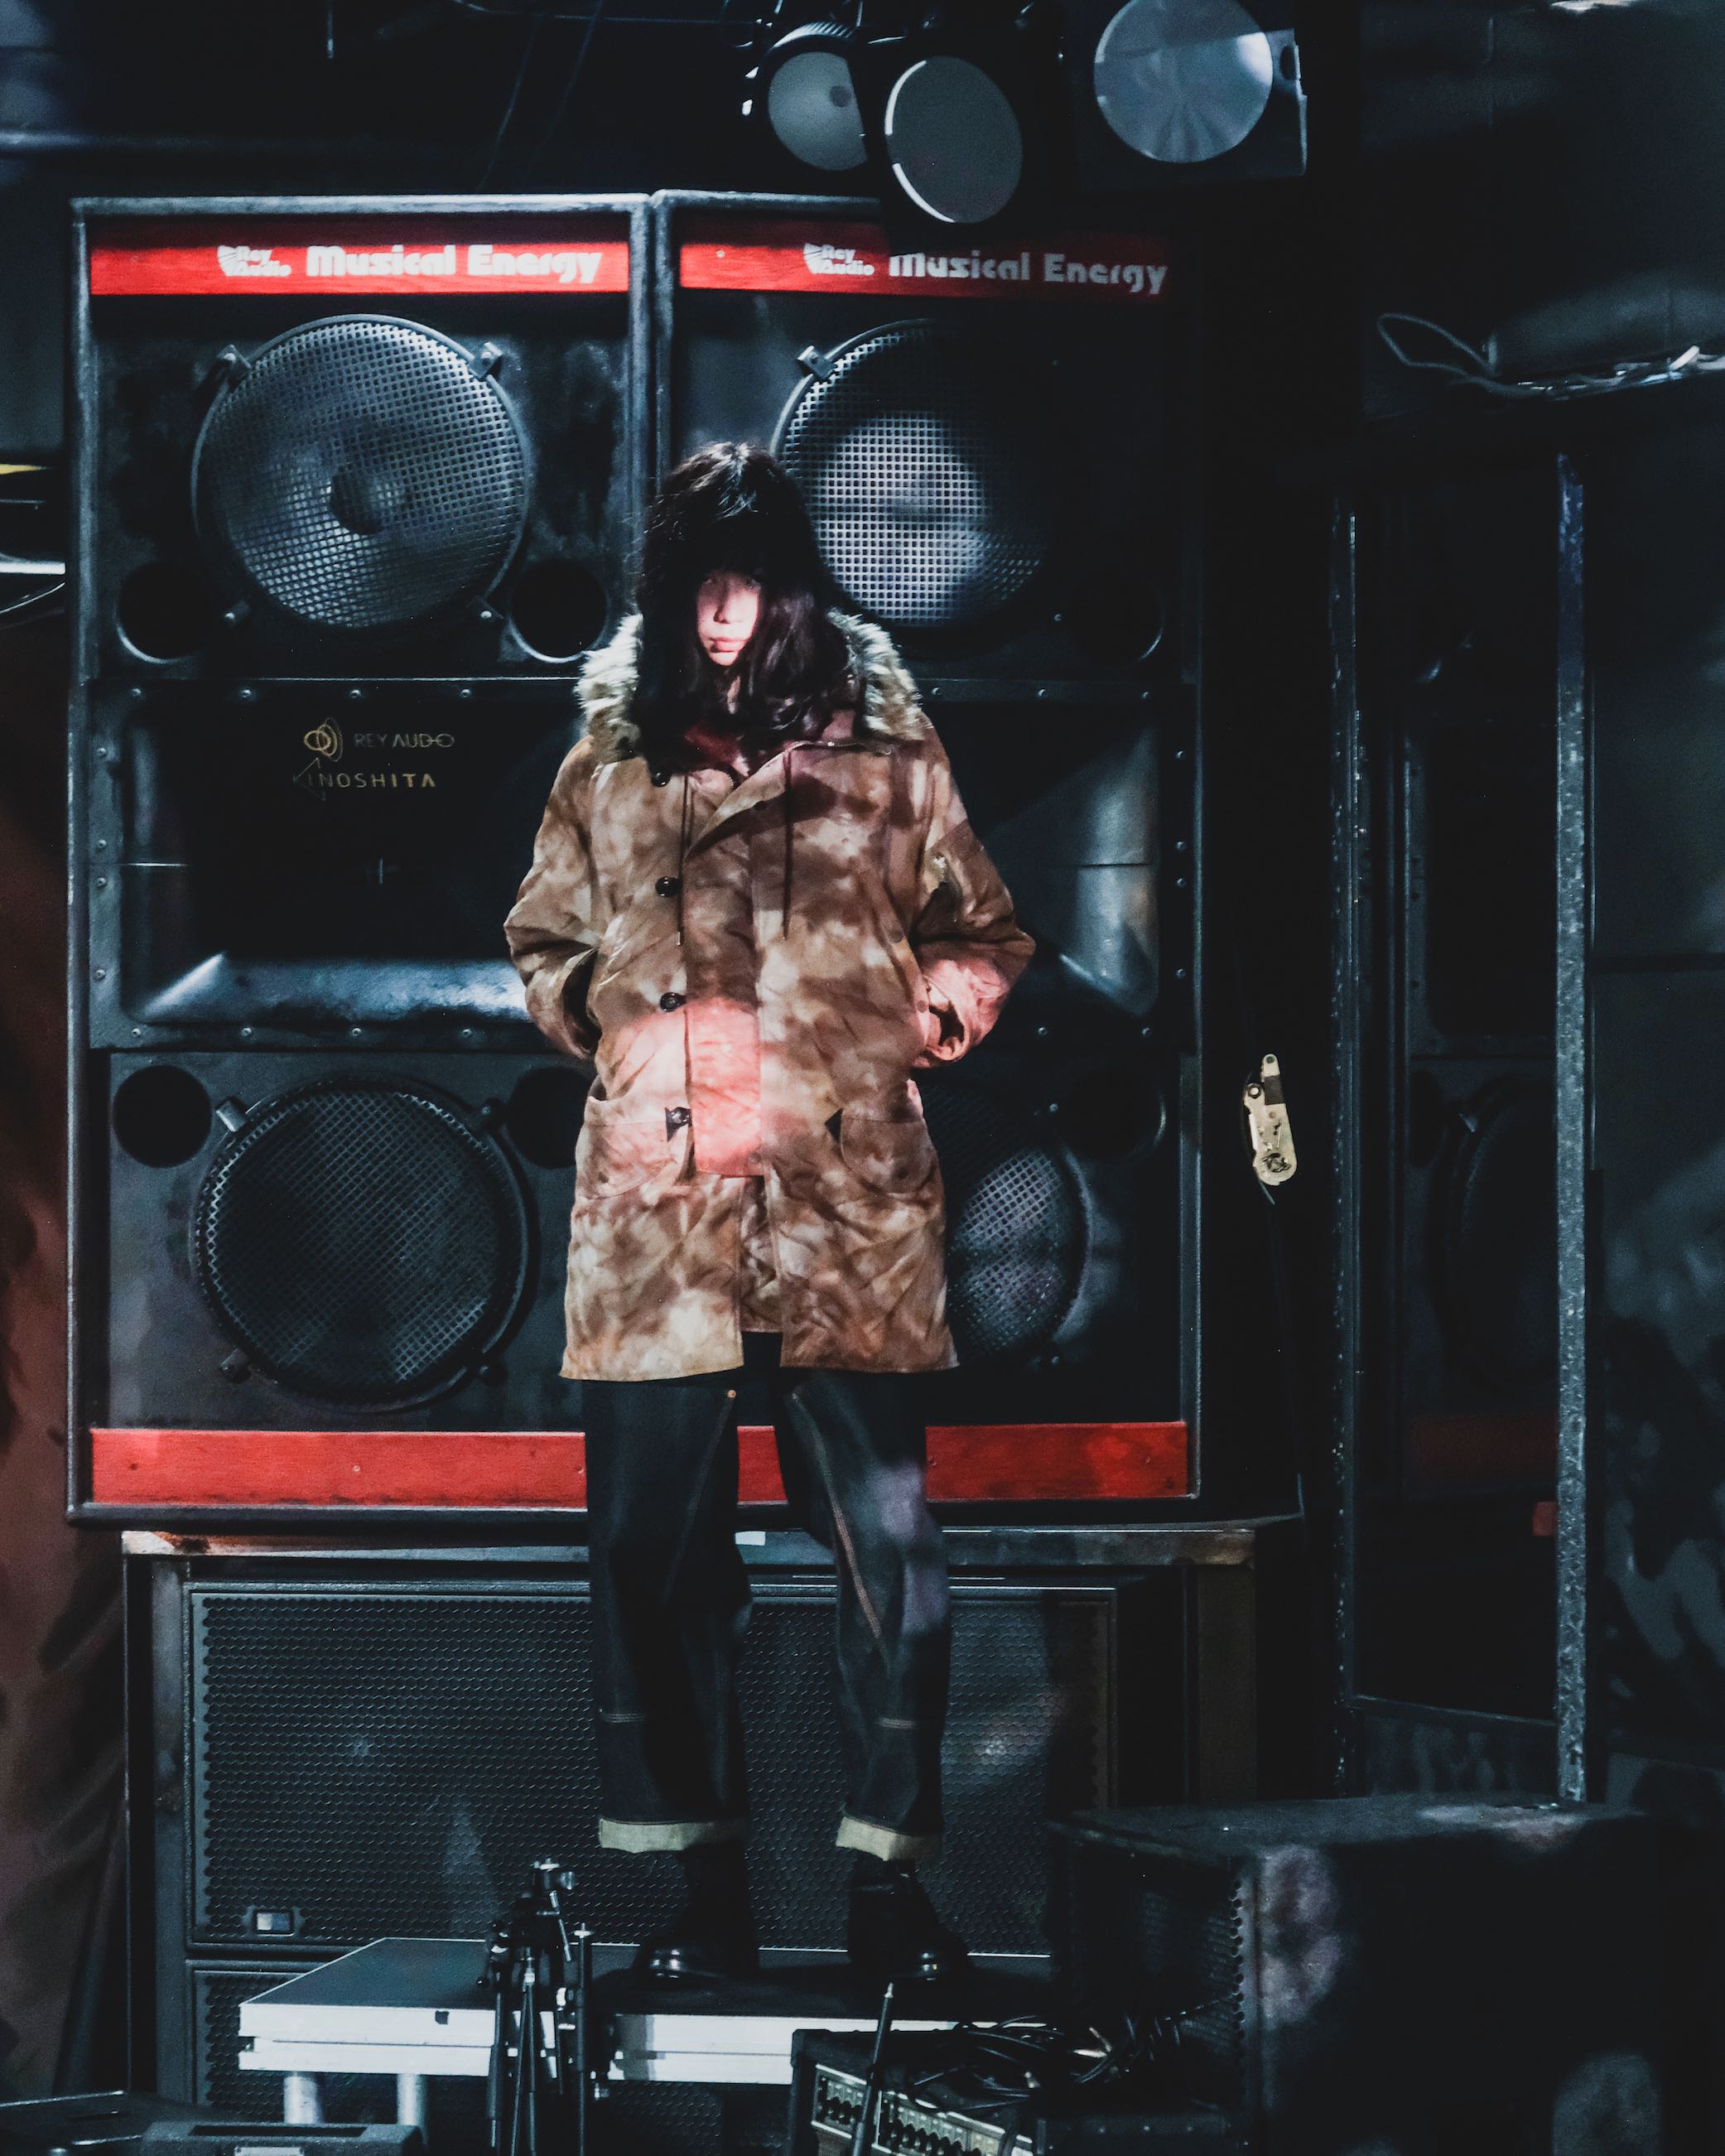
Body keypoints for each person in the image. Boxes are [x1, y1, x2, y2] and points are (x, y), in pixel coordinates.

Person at [504, 442, 1034, 1985]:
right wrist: (605, 1022)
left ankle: (889, 1892)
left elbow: (982, 925)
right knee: (650, 1565)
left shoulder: (887, 752)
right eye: (698, 585)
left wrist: (923, 1015)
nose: (723, 613)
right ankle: (697, 1899)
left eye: (749, 582)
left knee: (894, 1565)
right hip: (660, 1228)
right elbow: (541, 934)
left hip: (838, 1213)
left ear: (794, 586)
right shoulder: (610, 761)